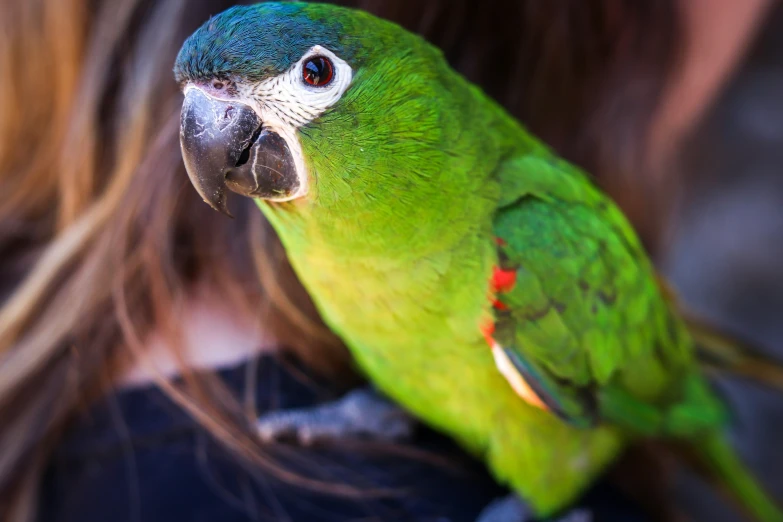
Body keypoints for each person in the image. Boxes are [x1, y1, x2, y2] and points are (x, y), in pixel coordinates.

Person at [0, 1, 770, 521]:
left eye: (313, 75)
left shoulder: (529, 238)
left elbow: (619, 402)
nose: (227, 124)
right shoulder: (306, 223)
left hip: (563, 447)